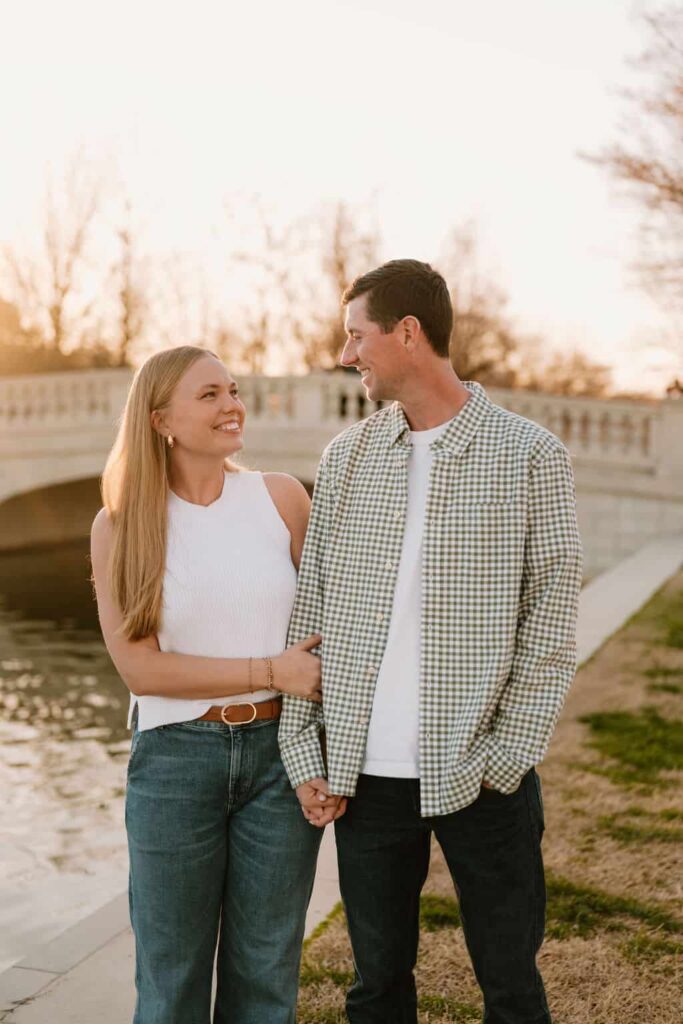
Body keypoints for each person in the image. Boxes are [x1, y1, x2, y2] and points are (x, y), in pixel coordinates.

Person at [280, 260, 583, 1024]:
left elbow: (549, 619)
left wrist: (508, 753)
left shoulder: (529, 455)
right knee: (376, 988)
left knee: (509, 985)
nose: (348, 355)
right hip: (366, 781)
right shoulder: (345, 460)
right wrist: (307, 750)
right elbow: (308, 610)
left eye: (357, 336)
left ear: (407, 334)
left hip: (481, 773)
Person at [90, 345, 324, 1024]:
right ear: (161, 418)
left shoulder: (281, 498)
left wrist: (319, 755)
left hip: (280, 760)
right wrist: (268, 670)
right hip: (174, 761)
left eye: (232, 390)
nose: (232, 407)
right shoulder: (121, 525)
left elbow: (323, 641)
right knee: (171, 982)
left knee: (266, 972)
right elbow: (141, 669)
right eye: (210, 395)